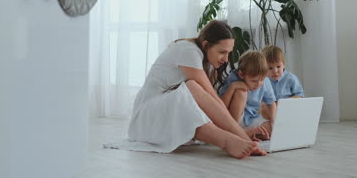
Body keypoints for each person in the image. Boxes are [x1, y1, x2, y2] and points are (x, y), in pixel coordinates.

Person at [127, 20, 267, 159]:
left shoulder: (206, 62)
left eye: (229, 53)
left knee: (192, 96)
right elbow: (212, 97)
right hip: (147, 116)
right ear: (206, 45)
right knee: (192, 86)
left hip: (164, 114)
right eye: (222, 52)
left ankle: (231, 139)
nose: (226, 59)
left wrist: (240, 134)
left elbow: (208, 106)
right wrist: (242, 137)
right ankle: (227, 141)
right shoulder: (188, 50)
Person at [218, 50, 277, 138]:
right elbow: (221, 106)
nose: (258, 84)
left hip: (250, 119)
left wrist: (273, 121)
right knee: (241, 92)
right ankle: (235, 131)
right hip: (232, 120)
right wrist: (233, 87)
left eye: (261, 80)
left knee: (273, 129)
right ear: (241, 74)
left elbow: (271, 103)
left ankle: (247, 133)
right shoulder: (233, 79)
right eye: (253, 81)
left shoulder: (265, 81)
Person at [260, 45, 304, 119]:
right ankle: (272, 123)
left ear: (283, 65)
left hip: (288, 109)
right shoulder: (262, 80)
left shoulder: (291, 78)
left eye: (278, 66)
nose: (275, 71)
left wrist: (284, 102)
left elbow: (300, 96)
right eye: (270, 68)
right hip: (270, 110)